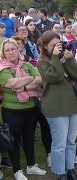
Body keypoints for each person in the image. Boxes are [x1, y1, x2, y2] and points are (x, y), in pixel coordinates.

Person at [37, 31, 77, 180]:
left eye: (58, 44)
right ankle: (60, 173)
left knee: (71, 141)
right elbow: (55, 76)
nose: (57, 48)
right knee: (59, 144)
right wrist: (57, 58)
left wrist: (70, 60)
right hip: (56, 108)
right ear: (45, 46)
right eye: (53, 46)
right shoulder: (42, 62)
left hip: (72, 105)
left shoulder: (65, 58)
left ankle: (70, 169)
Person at [0, 38, 46, 180]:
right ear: (3, 53)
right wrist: (30, 78)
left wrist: (24, 85)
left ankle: (31, 166)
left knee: (28, 138)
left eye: (13, 49)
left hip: (31, 108)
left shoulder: (26, 65)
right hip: (12, 110)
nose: (11, 52)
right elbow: (10, 83)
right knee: (14, 141)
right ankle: (17, 170)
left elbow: (40, 80)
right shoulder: (2, 68)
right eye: (7, 50)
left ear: (18, 49)